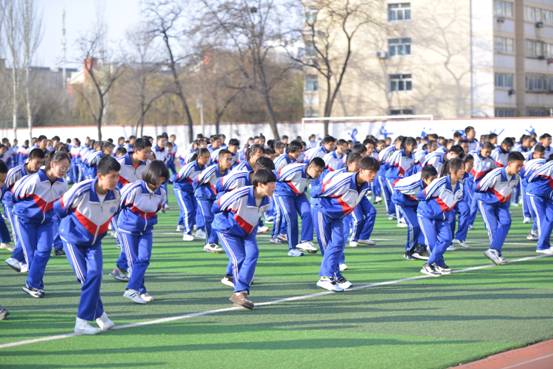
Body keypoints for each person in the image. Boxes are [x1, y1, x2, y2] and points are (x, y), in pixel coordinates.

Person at [54, 156, 121, 335]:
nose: (116, 180)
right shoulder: (81, 189)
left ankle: (100, 316)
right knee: (86, 278)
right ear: (100, 175)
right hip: (72, 240)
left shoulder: (116, 195)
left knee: (95, 276)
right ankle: (82, 322)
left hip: (94, 243)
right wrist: (71, 229)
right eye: (112, 176)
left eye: (117, 176)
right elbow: (59, 209)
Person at [313, 156, 379, 291]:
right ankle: (327, 277)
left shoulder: (365, 185)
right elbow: (317, 192)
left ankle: (332, 275)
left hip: (338, 216)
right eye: (370, 172)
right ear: (361, 170)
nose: (373, 175)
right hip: (322, 211)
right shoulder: (345, 180)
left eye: (375, 172)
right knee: (326, 246)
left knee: (338, 243)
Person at [212, 169, 276, 310]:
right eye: (270, 184)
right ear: (259, 184)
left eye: (274, 183)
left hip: (248, 231)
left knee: (253, 254)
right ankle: (239, 293)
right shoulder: (241, 193)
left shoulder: (267, 200)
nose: (274, 187)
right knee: (239, 258)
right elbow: (216, 207)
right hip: (227, 230)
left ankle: (241, 290)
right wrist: (228, 223)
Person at [12, 151, 70, 298]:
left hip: (47, 221)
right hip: (25, 221)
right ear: (52, 164)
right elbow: (16, 195)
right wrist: (27, 211)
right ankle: (34, 285)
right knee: (31, 255)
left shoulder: (63, 184)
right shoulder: (34, 180)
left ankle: (32, 284)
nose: (65, 170)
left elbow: (62, 203)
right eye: (62, 167)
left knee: (44, 252)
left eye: (67, 167)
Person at [118, 161, 169, 304]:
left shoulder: (162, 192)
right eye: (159, 177)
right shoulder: (135, 188)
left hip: (146, 229)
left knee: (144, 259)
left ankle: (132, 289)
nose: (161, 181)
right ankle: (139, 290)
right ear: (150, 175)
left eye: (163, 178)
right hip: (127, 229)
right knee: (133, 261)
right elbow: (118, 204)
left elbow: (158, 207)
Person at [417, 158, 465, 276]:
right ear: (453, 170)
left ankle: (437, 264)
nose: (464, 171)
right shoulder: (440, 182)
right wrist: (435, 207)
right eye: (462, 169)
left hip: (442, 217)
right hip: (426, 215)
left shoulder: (460, 187)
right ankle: (430, 265)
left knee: (447, 239)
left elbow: (452, 205)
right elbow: (421, 195)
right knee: (432, 242)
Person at [476, 152, 524, 265]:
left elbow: (508, 192)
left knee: (506, 222)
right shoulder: (496, 174)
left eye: (521, 165)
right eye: (518, 165)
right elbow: (477, 189)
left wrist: (503, 202)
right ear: (509, 163)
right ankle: (496, 252)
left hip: (502, 204)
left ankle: (493, 251)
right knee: (493, 228)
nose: (520, 168)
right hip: (486, 203)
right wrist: (492, 199)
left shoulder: (516, 177)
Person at [274, 158, 325, 256]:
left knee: (308, 213)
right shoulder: (295, 169)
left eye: (321, 171)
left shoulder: (314, 176)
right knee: (291, 217)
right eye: (318, 171)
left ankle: (306, 241)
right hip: (284, 192)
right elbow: (277, 178)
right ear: (310, 167)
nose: (319, 173)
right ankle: (292, 248)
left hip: (299, 194)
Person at [392, 165, 438, 260]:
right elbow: (396, 184)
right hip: (403, 201)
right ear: (425, 179)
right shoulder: (413, 184)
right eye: (432, 179)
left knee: (425, 221)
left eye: (435, 178)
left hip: (416, 201)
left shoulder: (433, 184)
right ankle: (409, 251)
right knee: (414, 225)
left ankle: (421, 247)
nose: (434, 182)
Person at [195, 149, 234, 254]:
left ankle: (212, 242)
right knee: (208, 217)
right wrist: (198, 192)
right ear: (220, 160)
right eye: (227, 159)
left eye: (231, 159)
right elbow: (197, 181)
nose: (230, 162)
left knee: (217, 218)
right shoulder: (211, 169)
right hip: (202, 195)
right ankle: (210, 243)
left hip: (215, 198)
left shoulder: (230, 173)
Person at [174, 148, 210, 241]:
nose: (206, 159)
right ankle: (187, 232)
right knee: (188, 210)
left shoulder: (205, 168)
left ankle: (200, 230)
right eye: (205, 157)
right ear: (199, 157)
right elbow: (177, 178)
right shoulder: (190, 167)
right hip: (181, 189)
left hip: (193, 190)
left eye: (208, 157)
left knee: (198, 209)